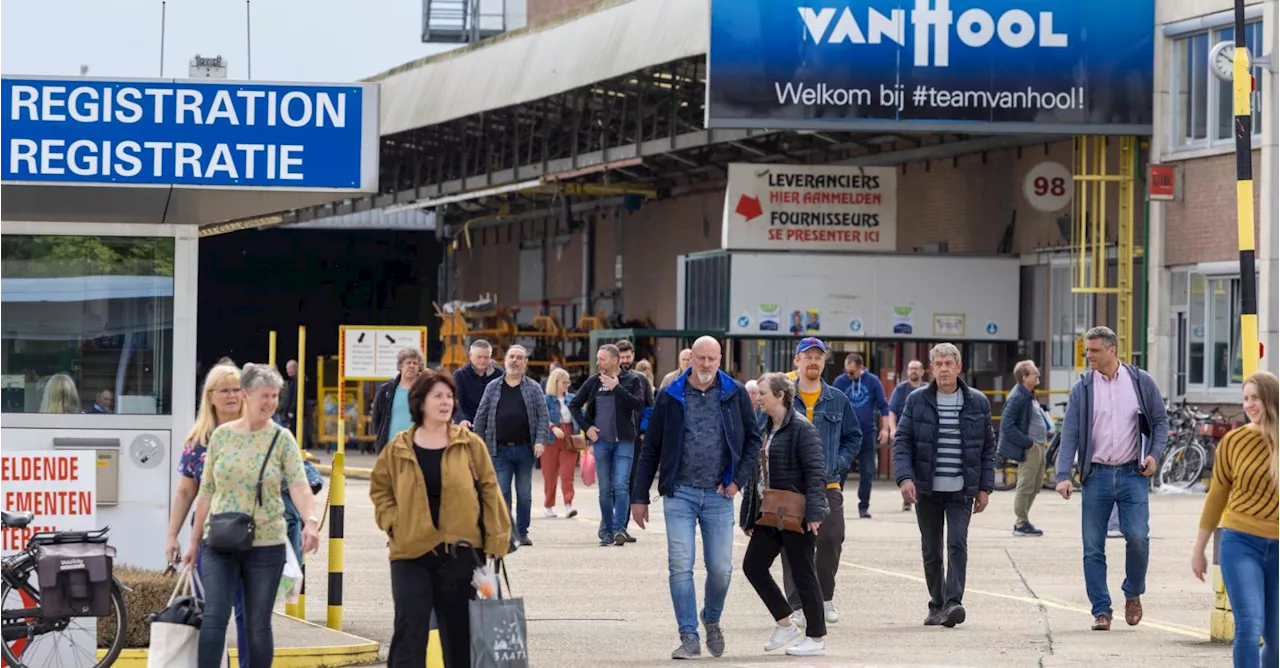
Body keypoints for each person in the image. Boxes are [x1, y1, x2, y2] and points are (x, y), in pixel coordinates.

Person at [631, 336, 762, 660]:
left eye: (711, 359)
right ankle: (688, 635)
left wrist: (736, 481)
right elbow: (652, 448)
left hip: (719, 495)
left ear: (720, 360)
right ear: (690, 359)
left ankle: (712, 618)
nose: (705, 364)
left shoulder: (734, 394)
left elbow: (752, 441)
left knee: (721, 568)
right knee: (680, 565)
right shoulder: (670, 395)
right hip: (680, 494)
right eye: (700, 358)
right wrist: (639, 496)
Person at [370, 371, 512, 668]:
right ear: (420, 402)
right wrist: (393, 521)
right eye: (438, 396)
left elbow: (489, 489)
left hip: (460, 551)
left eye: (449, 396)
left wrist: (497, 539)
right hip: (410, 551)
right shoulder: (397, 448)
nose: (446, 401)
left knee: (460, 637)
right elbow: (381, 489)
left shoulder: (470, 444)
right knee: (409, 629)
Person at [185, 363, 320, 668]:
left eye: (275, 396)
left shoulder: (282, 438)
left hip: (266, 544)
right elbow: (205, 491)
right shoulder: (221, 436)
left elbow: (299, 487)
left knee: (258, 624)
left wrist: (310, 521)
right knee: (214, 618)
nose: (271, 402)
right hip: (218, 541)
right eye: (264, 395)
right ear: (246, 395)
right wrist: (194, 542)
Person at [1055, 326, 1168, 631]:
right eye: (1087, 350)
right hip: (1097, 475)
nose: (1088, 355)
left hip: (1133, 473)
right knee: (1093, 546)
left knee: (1138, 537)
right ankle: (1101, 610)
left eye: (1093, 350)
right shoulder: (1083, 388)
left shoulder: (1140, 382)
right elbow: (1070, 434)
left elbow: (1160, 422)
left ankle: (1132, 592)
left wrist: (1154, 455)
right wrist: (1064, 474)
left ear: (1112, 350)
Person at [892, 343, 996, 628]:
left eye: (949, 363)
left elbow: (988, 447)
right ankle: (936, 604)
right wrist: (904, 478)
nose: (944, 369)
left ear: (959, 367)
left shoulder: (977, 401)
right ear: (932, 368)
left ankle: (953, 603)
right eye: (938, 364)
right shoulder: (916, 401)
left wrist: (985, 488)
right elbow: (901, 442)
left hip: (962, 490)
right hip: (927, 490)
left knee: (956, 544)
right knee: (932, 549)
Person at [1192, 371, 1280, 668]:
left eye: (1256, 397)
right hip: (1240, 542)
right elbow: (1216, 497)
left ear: (1271, 399)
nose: (1250, 404)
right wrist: (1199, 550)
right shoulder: (1234, 442)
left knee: (1278, 643)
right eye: (1245, 398)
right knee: (1249, 626)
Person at [166, 364, 252, 667]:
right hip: (209, 537)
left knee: (250, 614)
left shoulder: (259, 432)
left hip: (254, 536)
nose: (231, 395)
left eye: (236, 389)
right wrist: (172, 535)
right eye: (224, 390)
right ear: (210, 397)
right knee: (214, 612)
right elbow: (185, 492)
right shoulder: (197, 441)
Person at [740, 372, 830, 657]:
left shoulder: (802, 428)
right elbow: (757, 474)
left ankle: (816, 638)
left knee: (804, 574)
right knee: (753, 566)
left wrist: (814, 513)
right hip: (771, 513)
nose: (758, 398)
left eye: (763, 393)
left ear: (780, 395)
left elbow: (816, 472)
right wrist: (749, 515)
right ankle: (785, 622)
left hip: (796, 513)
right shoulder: (765, 427)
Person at [780, 338, 860, 627]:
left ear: (825, 362)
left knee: (830, 538)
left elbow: (855, 436)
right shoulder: (784, 397)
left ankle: (825, 598)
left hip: (828, 484)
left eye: (818, 357)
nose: (813, 361)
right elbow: (765, 430)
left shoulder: (838, 399)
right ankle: (798, 603)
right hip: (791, 486)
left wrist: (838, 462)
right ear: (797, 361)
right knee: (792, 546)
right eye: (807, 356)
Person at [570, 344, 651, 546]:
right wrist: (587, 427)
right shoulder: (593, 382)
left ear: (614, 361)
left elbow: (638, 404)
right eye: (598, 358)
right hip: (602, 443)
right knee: (605, 489)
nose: (598, 362)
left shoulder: (633, 380)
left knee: (621, 486)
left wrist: (617, 388)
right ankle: (606, 530)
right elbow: (574, 405)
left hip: (625, 441)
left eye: (602, 359)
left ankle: (619, 529)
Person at [473, 345, 550, 547]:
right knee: (502, 493)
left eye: (519, 358)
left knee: (524, 494)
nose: (515, 361)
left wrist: (540, 440)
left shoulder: (533, 388)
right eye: (512, 357)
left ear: (525, 363)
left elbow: (543, 417)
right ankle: (506, 532)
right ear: (505, 361)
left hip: (525, 449)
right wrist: (476, 444)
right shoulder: (492, 387)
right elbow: (480, 416)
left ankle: (522, 532)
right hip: (499, 450)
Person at [998, 360, 1052, 537]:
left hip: (1038, 445)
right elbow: (1007, 425)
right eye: (1034, 373)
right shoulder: (1018, 397)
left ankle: (1023, 520)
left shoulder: (1030, 394)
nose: (1038, 375)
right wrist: (1028, 443)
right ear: (1024, 377)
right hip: (1030, 447)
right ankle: (1021, 522)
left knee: (1036, 485)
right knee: (1026, 485)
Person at [837, 353, 889, 518]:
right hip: (844, 434)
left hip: (867, 433)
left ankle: (863, 506)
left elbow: (883, 406)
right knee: (840, 469)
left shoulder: (872, 381)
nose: (848, 375)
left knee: (867, 472)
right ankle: (834, 504)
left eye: (852, 372)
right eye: (847, 371)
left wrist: (885, 429)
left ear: (861, 367)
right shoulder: (840, 381)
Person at [888, 360, 927, 512]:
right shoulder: (900, 389)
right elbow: (891, 410)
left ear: (923, 371)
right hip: (905, 435)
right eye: (911, 368)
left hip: (923, 434)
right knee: (906, 466)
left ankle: (918, 495)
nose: (914, 371)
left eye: (917, 368)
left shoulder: (928, 388)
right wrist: (893, 429)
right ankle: (907, 499)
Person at [372, 348, 426, 454]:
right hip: (390, 449)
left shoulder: (425, 391)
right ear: (401, 366)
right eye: (408, 363)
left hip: (417, 450)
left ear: (419, 367)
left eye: (415, 363)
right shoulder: (386, 390)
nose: (411, 366)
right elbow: (376, 419)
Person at [542, 367, 580, 518]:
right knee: (549, 474)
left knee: (567, 473)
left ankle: (568, 505)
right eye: (564, 382)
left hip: (569, 438)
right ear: (555, 382)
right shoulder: (545, 399)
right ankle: (548, 505)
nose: (567, 385)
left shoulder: (572, 398)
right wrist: (552, 427)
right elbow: (541, 417)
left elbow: (580, 415)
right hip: (550, 439)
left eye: (568, 382)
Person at [454, 340, 504, 428]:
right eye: (479, 357)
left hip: (493, 424)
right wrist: (462, 419)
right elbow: (456, 402)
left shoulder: (499, 374)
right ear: (470, 356)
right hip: (468, 423)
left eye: (486, 357)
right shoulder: (460, 375)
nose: (483, 361)